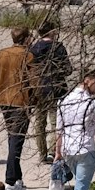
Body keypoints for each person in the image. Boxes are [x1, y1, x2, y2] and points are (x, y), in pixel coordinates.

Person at [0, 27, 36, 190]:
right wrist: (33, 101)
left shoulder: (2, 53)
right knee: (16, 141)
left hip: (5, 102)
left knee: (13, 139)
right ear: (26, 39)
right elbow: (34, 82)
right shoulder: (27, 56)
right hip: (21, 102)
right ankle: (10, 180)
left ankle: (17, 177)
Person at [29, 22, 72, 168]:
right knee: (55, 123)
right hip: (56, 88)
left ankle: (42, 153)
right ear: (52, 31)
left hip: (39, 88)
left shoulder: (34, 49)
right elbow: (68, 69)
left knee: (40, 123)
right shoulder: (58, 48)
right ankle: (54, 151)